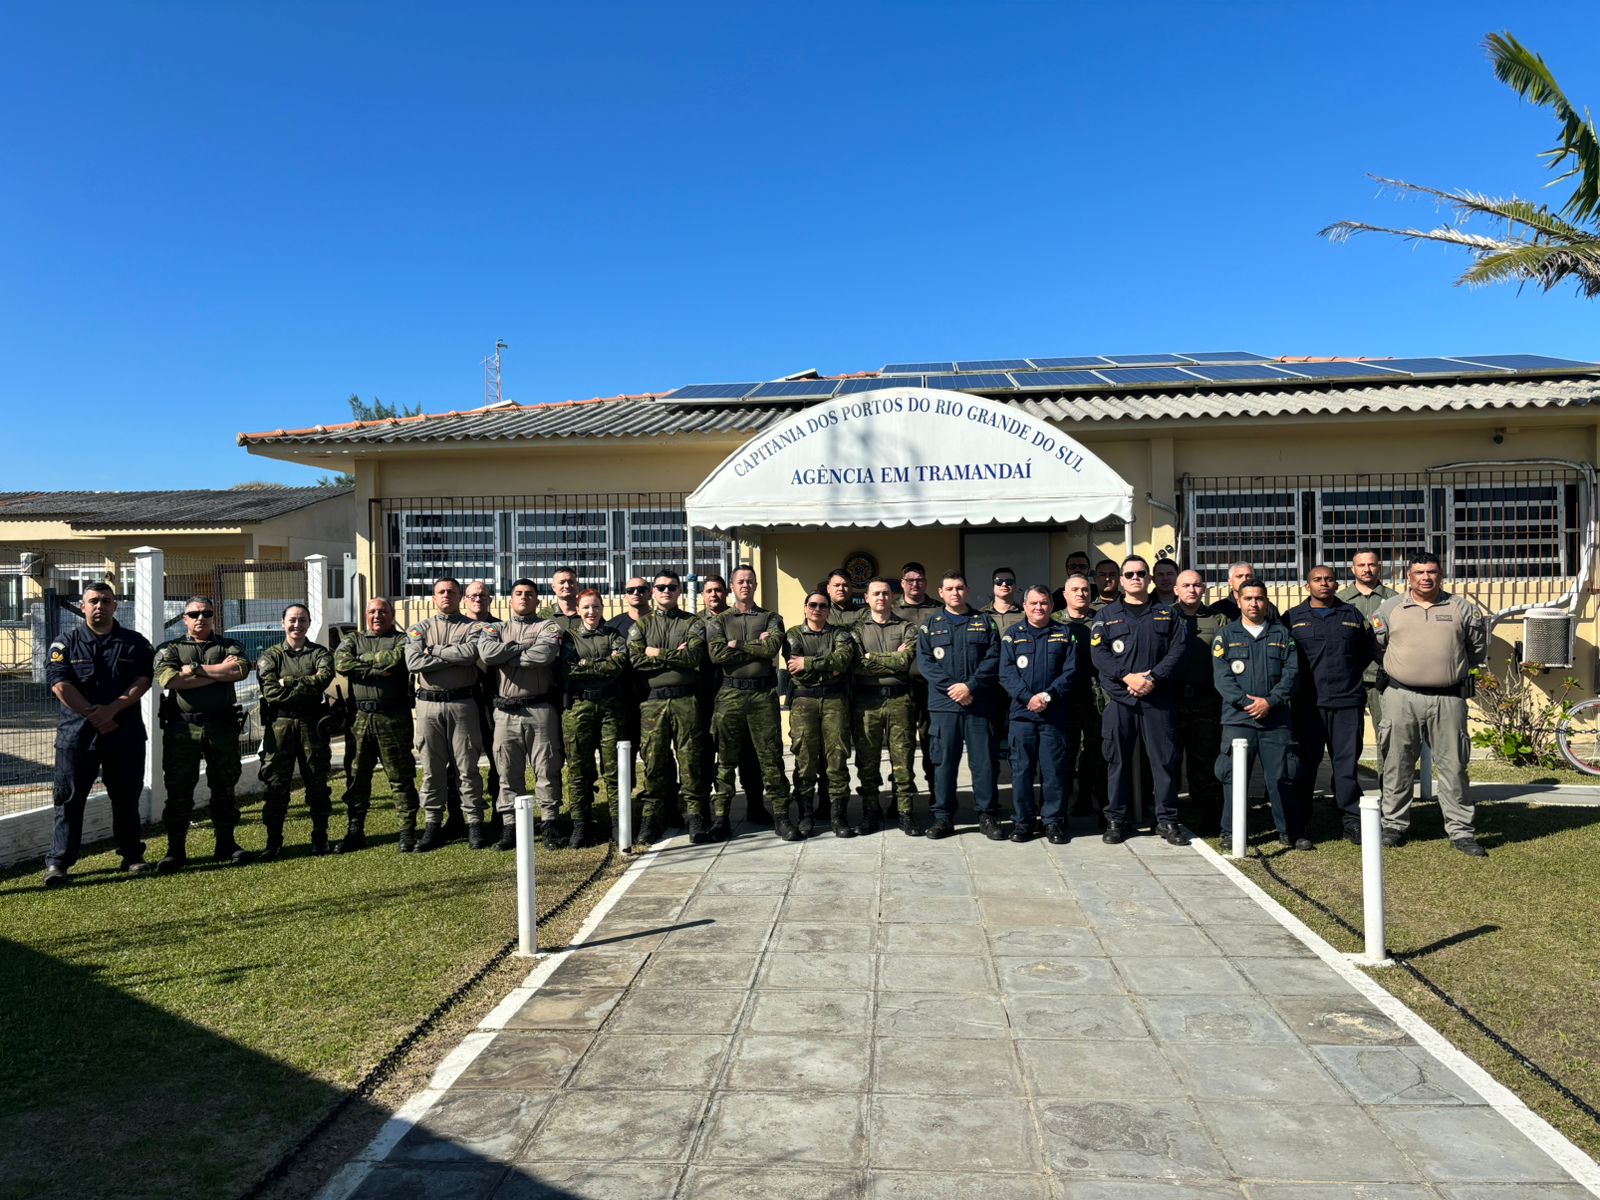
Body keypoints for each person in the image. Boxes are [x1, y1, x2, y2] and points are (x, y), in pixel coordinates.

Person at [1371, 553, 1489, 855]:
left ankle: (1461, 831)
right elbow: (1378, 646)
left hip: (1447, 698)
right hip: (1401, 697)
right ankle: (1394, 825)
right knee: (1397, 763)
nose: (1426, 577)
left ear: (1441, 574)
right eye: (1419, 572)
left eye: (1432, 572)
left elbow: (1476, 650)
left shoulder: (1461, 608)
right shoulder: (1390, 608)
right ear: (1408, 576)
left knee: (1454, 766)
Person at [42, 582, 155, 887]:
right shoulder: (64, 643)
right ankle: (59, 864)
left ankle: (132, 856)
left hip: (124, 734)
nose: (99, 606)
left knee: (126, 798)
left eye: (106, 601)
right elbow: (59, 685)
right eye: (93, 601)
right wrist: (96, 714)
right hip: (77, 737)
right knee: (68, 799)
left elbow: (143, 679)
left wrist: (113, 709)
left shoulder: (135, 643)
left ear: (115, 605)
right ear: (82, 606)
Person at [1089, 556, 1187, 846]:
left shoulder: (1168, 614)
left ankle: (1167, 820)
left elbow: (1177, 651)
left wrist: (1152, 679)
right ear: (1120, 580)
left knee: (1164, 761)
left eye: (1140, 573)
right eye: (1129, 574)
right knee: (1116, 762)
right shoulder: (1105, 616)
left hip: (1158, 701)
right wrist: (1128, 679)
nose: (1135, 578)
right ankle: (1117, 819)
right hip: (1121, 702)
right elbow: (1100, 656)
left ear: (1149, 579)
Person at [153, 597, 252, 871]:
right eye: (194, 614)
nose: (201, 618)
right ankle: (175, 850)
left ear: (213, 616)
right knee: (179, 789)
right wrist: (220, 673)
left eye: (206, 613)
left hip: (222, 727)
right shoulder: (170, 648)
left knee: (224, 787)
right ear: (184, 619)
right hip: (183, 729)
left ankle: (226, 844)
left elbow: (240, 669)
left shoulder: (229, 645)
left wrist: (195, 670)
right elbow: (171, 680)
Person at [1286, 565, 1375, 845]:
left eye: (1328, 579)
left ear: (1337, 584)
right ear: (1307, 585)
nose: (1323, 584)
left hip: (1347, 702)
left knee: (1346, 765)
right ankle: (1300, 823)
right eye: (1317, 580)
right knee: (1305, 765)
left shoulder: (1351, 615)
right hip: (1307, 705)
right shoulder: (1292, 618)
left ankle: (1350, 819)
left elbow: (1365, 653)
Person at [1213, 578, 1303, 850]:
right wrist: (1246, 703)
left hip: (1275, 720)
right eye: (1248, 598)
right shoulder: (1225, 636)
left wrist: (1271, 701)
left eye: (1259, 598)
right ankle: (1230, 831)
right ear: (1238, 601)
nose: (1254, 603)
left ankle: (1290, 831)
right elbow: (1222, 678)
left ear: (1267, 602)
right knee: (1233, 777)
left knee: (1281, 777)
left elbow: (1292, 674)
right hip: (1238, 720)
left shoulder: (1282, 635)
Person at [479, 578, 566, 850]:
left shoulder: (548, 626)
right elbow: (487, 653)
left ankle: (550, 824)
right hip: (505, 712)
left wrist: (507, 655)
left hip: (540, 710)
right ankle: (510, 828)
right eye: (518, 594)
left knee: (547, 768)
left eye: (529, 594)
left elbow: (545, 655)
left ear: (538, 600)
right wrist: (520, 649)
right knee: (507, 771)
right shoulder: (494, 628)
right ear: (510, 600)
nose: (524, 598)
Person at [405, 576, 490, 851]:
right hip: (428, 706)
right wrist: (449, 655)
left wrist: (435, 652)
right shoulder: (419, 629)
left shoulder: (475, 627)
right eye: (441, 592)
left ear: (460, 597)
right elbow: (414, 661)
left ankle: (474, 823)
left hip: (463, 704)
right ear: (433, 598)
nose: (446, 596)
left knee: (467, 767)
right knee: (432, 770)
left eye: (451, 592)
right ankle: (432, 824)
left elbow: (470, 654)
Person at [916, 570, 1002, 840]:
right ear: (941, 593)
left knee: (984, 763)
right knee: (944, 763)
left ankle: (987, 815)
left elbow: (994, 658)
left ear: (967, 590)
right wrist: (954, 690)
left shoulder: (984, 622)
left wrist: (970, 686)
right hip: (944, 707)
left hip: (979, 704)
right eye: (949, 588)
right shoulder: (930, 626)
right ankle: (943, 817)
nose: (955, 592)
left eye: (959, 588)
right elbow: (926, 663)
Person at [705, 565, 787, 839]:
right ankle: (721, 819)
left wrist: (736, 645)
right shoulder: (719, 621)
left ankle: (782, 816)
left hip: (763, 696)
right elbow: (717, 655)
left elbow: (772, 649)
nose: (745, 585)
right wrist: (754, 645)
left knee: (770, 757)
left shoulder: (771, 618)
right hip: (730, 696)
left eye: (750, 581)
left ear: (755, 585)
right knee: (726, 760)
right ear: (731, 586)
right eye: (740, 581)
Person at [627, 570, 708, 843]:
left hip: (686, 699)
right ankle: (652, 820)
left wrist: (657, 652)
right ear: (653, 591)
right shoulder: (641, 626)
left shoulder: (693, 623)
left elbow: (694, 656)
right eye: (660, 586)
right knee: (654, 762)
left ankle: (695, 818)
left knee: (691, 760)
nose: (666, 591)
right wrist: (675, 654)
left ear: (679, 591)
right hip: (653, 702)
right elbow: (636, 661)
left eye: (672, 587)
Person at [333, 596, 419, 852]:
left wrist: (361, 662)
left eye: (382, 611)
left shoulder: (403, 639)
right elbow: (341, 663)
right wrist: (376, 669)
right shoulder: (352, 639)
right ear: (365, 614)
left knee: (400, 776)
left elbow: (397, 660)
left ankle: (407, 831)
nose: (377, 616)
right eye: (372, 611)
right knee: (357, 777)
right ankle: (355, 830)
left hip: (393, 718)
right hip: (359, 720)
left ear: (392, 614)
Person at [255, 602, 336, 858]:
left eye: (302, 620)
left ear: (309, 623)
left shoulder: (321, 654)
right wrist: (305, 685)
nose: (297, 625)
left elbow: (323, 679)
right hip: (279, 728)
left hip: (312, 726)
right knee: (276, 785)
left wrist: (288, 681)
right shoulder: (270, 655)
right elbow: (270, 692)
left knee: (317, 783)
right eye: (292, 620)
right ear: (283, 623)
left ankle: (320, 839)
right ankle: (273, 842)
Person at [1000, 585, 1078, 844]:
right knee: (1021, 771)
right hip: (1022, 716)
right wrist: (1027, 697)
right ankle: (1023, 822)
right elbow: (1006, 673)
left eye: (1044, 603)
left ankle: (1053, 822)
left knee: (1053, 771)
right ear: (1024, 606)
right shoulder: (1012, 635)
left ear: (1051, 606)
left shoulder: (1064, 634)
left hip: (1053, 715)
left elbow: (1070, 672)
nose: (1038, 608)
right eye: (1033, 603)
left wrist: (1046, 696)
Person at [785, 590, 856, 839]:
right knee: (805, 759)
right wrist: (829, 668)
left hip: (834, 701)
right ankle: (805, 816)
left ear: (829, 610)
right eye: (812, 605)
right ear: (805, 608)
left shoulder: (840, 633)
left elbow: (844, 661)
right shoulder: (793, 634)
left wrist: (810, 663)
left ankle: (838, 817)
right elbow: (795, 669)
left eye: (823, 606)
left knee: (837, 758)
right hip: (804, 701)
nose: (817, 609)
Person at [850, 578, 920, 835]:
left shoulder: (907, 627)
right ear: (866, 598)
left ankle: (904, 813)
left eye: (886, 593)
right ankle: (870, 812)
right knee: (867, 762)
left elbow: (905, 662)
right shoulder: (855, 630)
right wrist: (892, 658)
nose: (881, 597)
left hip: (899, 700)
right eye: (876, 593)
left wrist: (872, 657)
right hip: (866, 702)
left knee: (903, 760)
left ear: (893, 597)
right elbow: (857, 665)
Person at [562, 588, 629, 846]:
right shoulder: (569, 638)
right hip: (578, 708)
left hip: (610, 707)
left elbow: (618, 665)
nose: (592, 612)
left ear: (603, 609)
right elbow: (567, 671)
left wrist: (586, 665)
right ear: (578, 610)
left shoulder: (613, 635)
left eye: (596, 607)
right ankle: (580, 825)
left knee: (614, 768)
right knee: (579, 769)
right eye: (586, 608)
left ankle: (617, 822)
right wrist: (602, 663)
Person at [1172, 569, 1227, 834]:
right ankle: (1169, 816)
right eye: (1186, 585)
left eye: (1196, 585)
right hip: (1171, 701)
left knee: (1205, 763)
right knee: (1168, 762)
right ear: (1176, 589)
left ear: (1203, 589)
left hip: (1206, 701)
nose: (1191, 590)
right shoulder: (1163, 616)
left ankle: (1209, 817)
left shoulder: (1218, 619)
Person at [1338, 549, 1398, 772]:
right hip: (1349, 678)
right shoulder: (1340, 600)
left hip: (1383, 678)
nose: (1366, 569)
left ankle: (1388, 790)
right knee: (1348, 737)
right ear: (1353, 569)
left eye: (1371, 564)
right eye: (1361, 565)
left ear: (1378, 567)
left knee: (1387, 735)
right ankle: (1346, 792)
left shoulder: (1394, 599)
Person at [1054, 574, 1105, 820]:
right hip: (1063, 698)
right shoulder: (1054, 621)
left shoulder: (1101, 620)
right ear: (1065, 594)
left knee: (1093, 752)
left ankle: (1086, 798)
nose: (1080, 594)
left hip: (1093, 697)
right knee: (1064, 752)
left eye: (1085, 589)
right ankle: (1058, 804)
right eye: (1074, 589)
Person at [893, 561, 941, 800]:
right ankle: (902, 795)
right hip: (900, 686)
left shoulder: (938, 610)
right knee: (901, 744)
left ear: (926, 582)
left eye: (919, 580)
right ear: (902, 583)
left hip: (931, 686)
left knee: (932, 741)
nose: (915, 584)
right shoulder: (891, 609)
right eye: (910, 580)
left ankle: (935, 791)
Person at [606, 575, 651, 805]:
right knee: (624, 755)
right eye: (631, 589)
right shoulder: (613, 626)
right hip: (622, 701)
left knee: (655, 755)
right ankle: (625, 805)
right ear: (625, 595)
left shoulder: (659, 621)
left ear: (649, 593)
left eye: (642, 589)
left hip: (654, 698)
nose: (637, 593)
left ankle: (659, 803)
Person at [982, 567, 1026, 764]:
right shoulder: (980, 615)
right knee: (990, 732)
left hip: (1018, 681)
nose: (1004, 585)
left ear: (1015, 586)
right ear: (993, 586)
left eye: (1009, 581)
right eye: (999, 581)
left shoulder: (1025, 614)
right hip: (990, 683)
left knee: (1018, 732)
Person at [1212, 561, 1280, 623]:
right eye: (1239, 576)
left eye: (1248, 576)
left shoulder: (1267, 607)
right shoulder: (1218, 609)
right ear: (1230, 581)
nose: (1244, 579)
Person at [537, 566, 585, 633]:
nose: (567, 586)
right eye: (561, 582)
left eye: (571, 582)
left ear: (577, 585)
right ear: (553, 587)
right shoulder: (544, 615)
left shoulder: (589, 613)